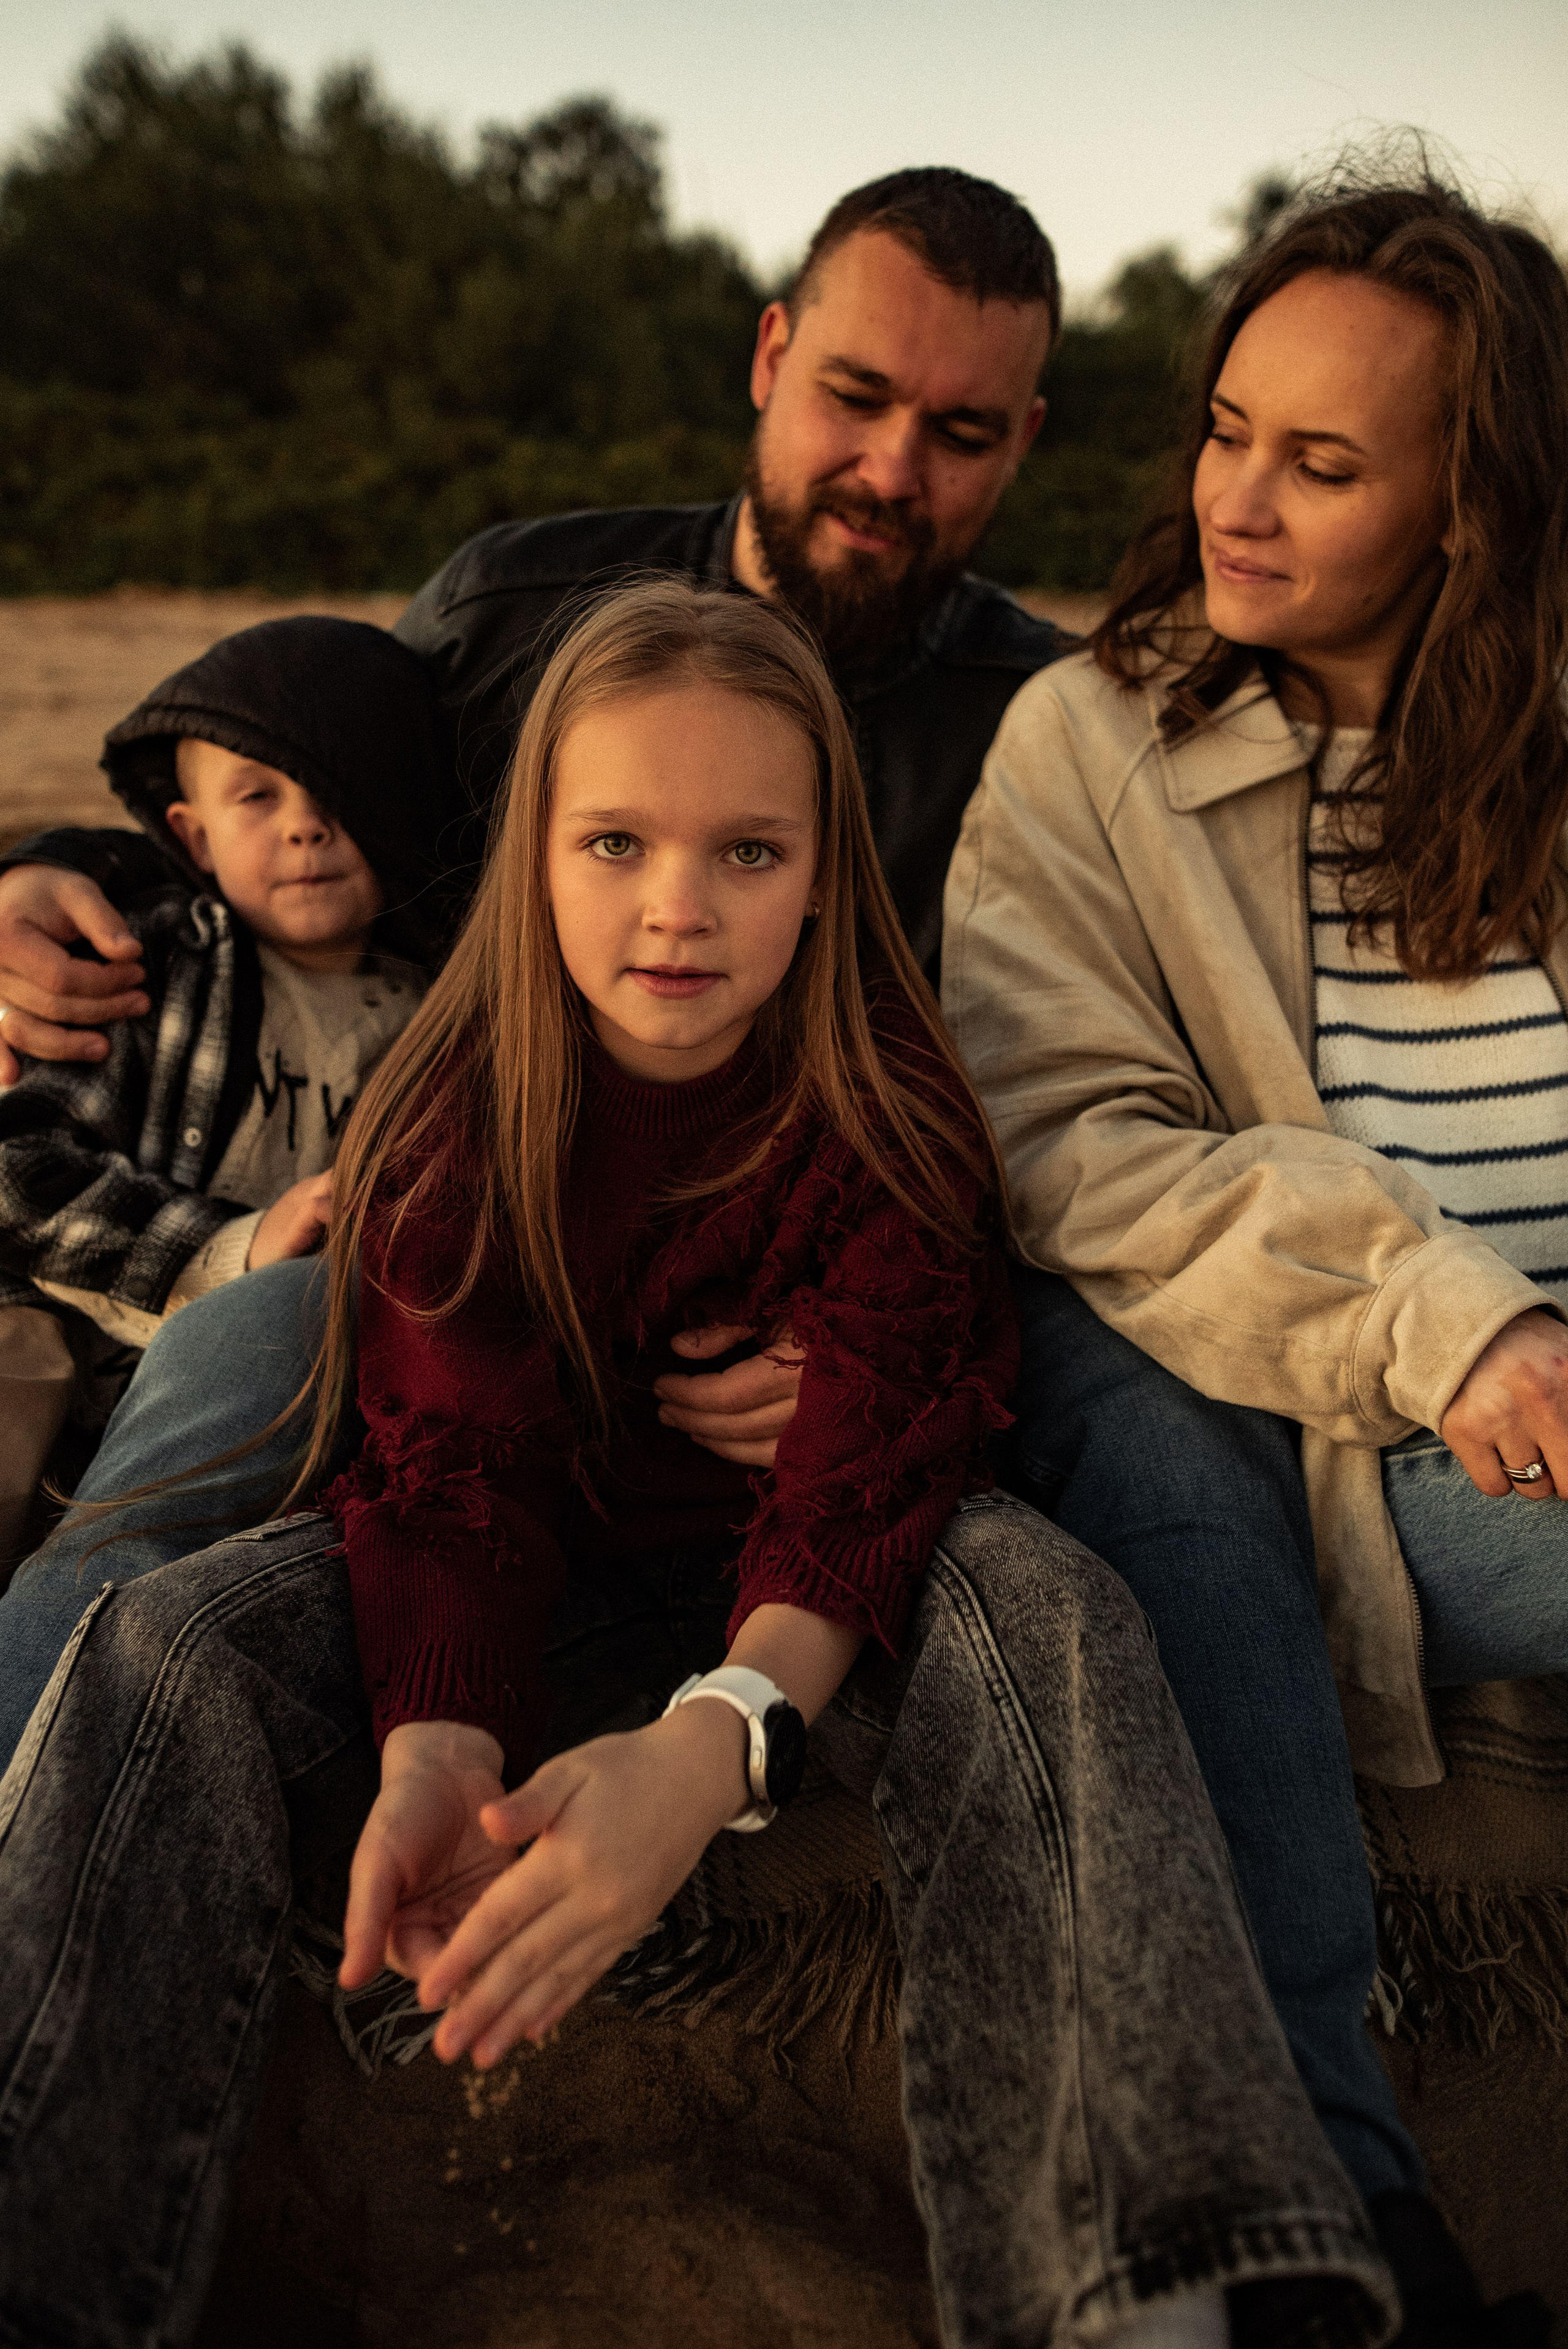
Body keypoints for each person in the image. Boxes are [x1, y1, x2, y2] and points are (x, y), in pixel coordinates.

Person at [0, 580, 1390, 2349]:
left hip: (821, 1592)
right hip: (536, 1559)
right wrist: (441, 1736)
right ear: (534, 859)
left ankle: (1141, 2285)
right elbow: (449, 1471)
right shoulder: (460, 1101)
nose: (677, 907)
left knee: (1053, 1609)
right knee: (161, 1639)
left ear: (823, 869)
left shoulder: (889, 1092)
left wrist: (718, 1733)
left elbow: (879, 1453)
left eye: (747, 850)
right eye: (616, 842)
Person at [0, 168, 1072, 1747]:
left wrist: (857, 1351)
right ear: (770, 355)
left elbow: (1060, 1066)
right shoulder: (517, 606)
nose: (891, 466)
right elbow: (285, 787)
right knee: (251, 1341)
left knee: (1120, 1417)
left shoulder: (1040, 722)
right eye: (854, 394)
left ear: (1023, 442)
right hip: (481, 1240)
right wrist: (47, 868)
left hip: (824, 1281)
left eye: (962, 433)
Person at [941, 165, 1567, 2347]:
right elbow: (1074, 1148)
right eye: (1227, 427)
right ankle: (1350, 2223)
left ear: (1472, 508)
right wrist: (1444, 1317)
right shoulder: (1090, 747)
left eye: (1322, 459)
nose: (1240, 496)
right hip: (1341, 1420)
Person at [0, 617, 443, 1564]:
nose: (305, 823)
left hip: (269, 1389)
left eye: (338, 788)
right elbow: (16, 1171)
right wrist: (230, 1248)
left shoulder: (446, 1006)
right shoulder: (148, 962)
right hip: (71, 1323)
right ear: (192, 839)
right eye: (257, 795)